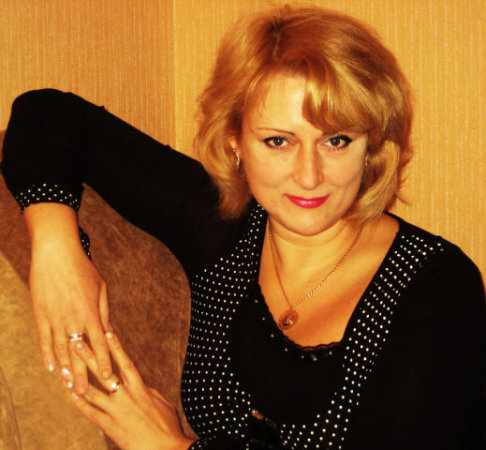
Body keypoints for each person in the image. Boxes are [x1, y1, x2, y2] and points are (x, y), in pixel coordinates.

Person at [1, 5, 485, 450]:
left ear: (372, 145)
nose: (310, 175)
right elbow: (48, 115)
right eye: (278, 141)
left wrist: (170, 446)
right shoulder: (223, 227)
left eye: (336, 140)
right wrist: (57, 251)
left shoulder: (437, 286)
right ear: (234, 139)